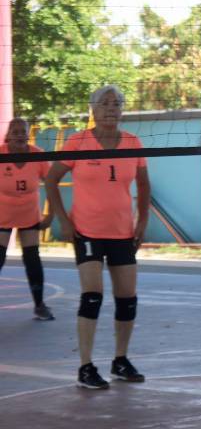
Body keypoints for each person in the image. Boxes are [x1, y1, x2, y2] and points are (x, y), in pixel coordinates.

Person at [45, 85, 150, 389]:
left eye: (116, 103)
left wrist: (143, 220)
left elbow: (144, 185)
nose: (111, 108)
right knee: (93, 295)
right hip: (86, 230)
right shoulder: (78, 141)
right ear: (93, 109)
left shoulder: (133, 142)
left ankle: (121, 360)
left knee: (127, 299)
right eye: (104, 103)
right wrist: (63, 220)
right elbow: (51, 180)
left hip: (122, 232)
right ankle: (85, 366)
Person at [0, 118, 54, 320]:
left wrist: (51, 214)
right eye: (15, 132)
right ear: (8, 135)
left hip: (29, 213)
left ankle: (39, 305)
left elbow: (51, 185)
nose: (20, 135)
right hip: (3, 214)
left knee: (32, 259)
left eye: (23, 131)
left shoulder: (38, 155)